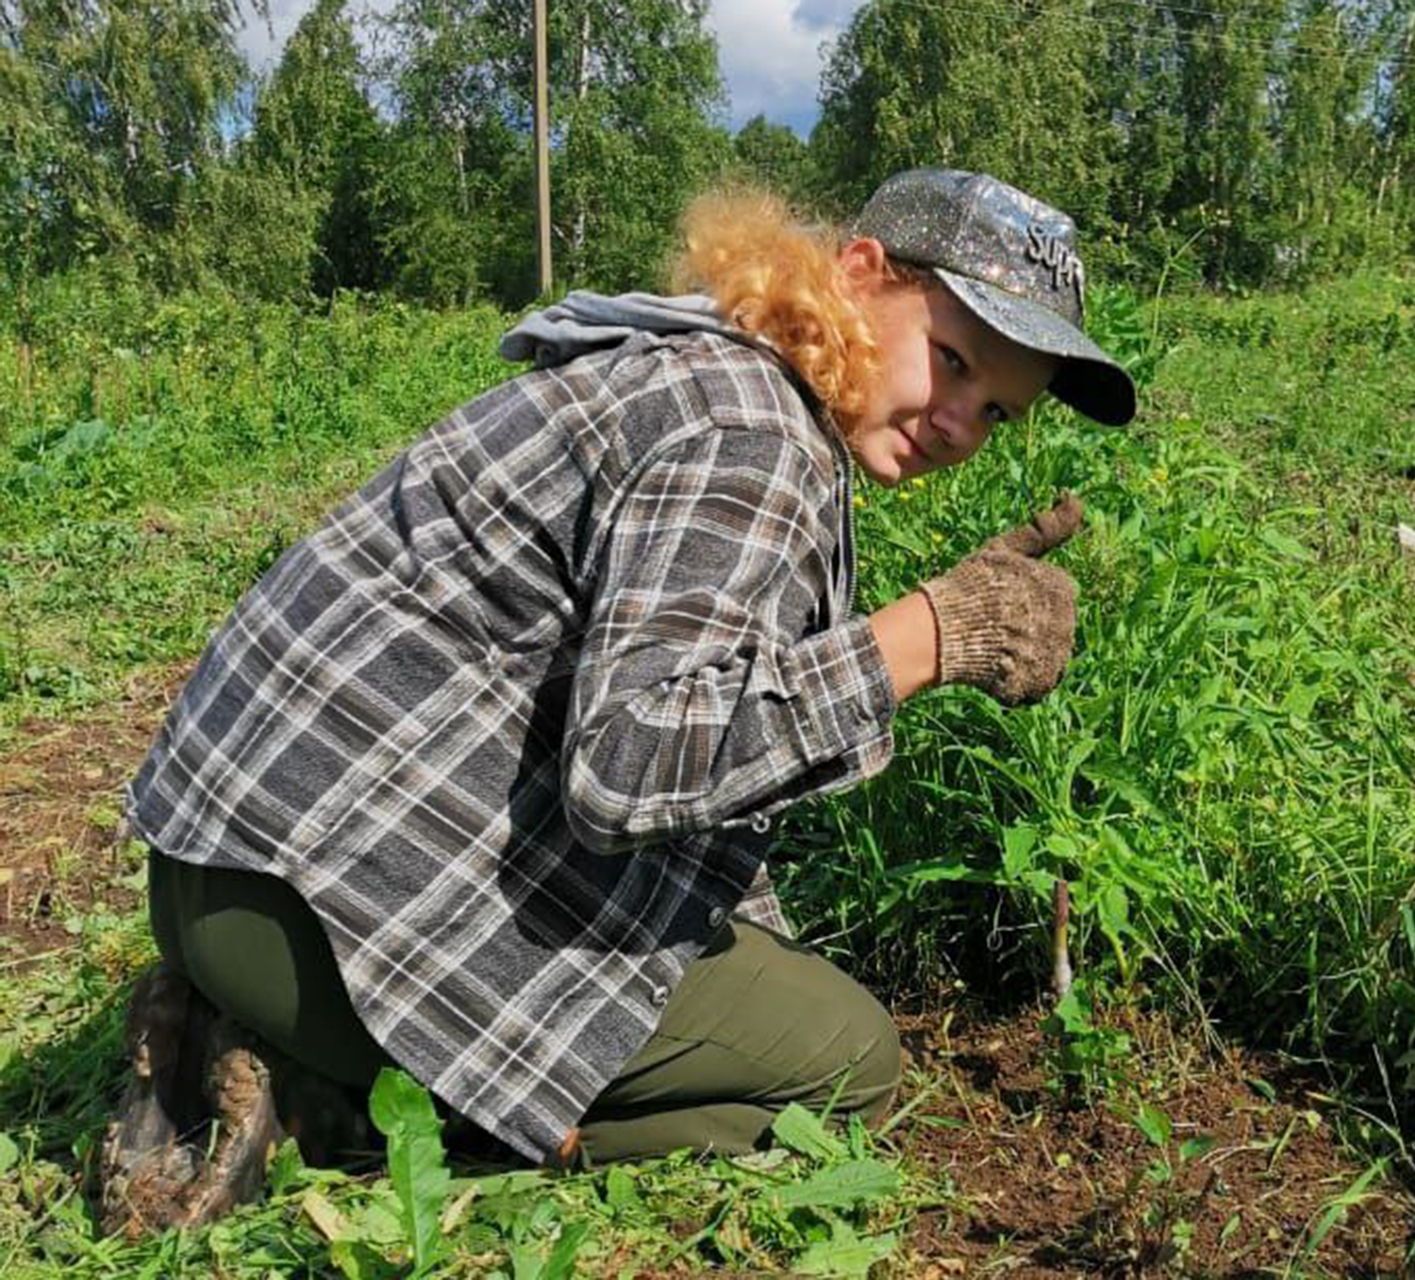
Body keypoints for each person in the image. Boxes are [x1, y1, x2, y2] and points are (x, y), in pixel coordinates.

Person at [94, 168, 1137, 1236]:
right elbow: (625, 767)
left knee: (766, 984)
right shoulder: (755, 433)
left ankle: (260, 1033)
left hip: (223, 863)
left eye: (996, 410)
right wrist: (924, 638)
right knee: (848, 1063)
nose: (960, 421)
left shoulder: (700, 366)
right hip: (312, 912)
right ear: (860, 273)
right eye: (951, 359)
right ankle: (336, 1114)